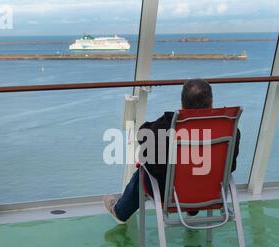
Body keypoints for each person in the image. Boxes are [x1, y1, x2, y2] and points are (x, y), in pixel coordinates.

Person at [103, 79, 241, 224]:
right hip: (210, 193)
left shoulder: (168, 126)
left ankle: (120, 212)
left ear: (182, 104)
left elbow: (142, 137)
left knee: (144, 169)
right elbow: (230, 166)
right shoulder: (229, 129)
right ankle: (192, 209)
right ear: (211, 102)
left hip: (171, 194)